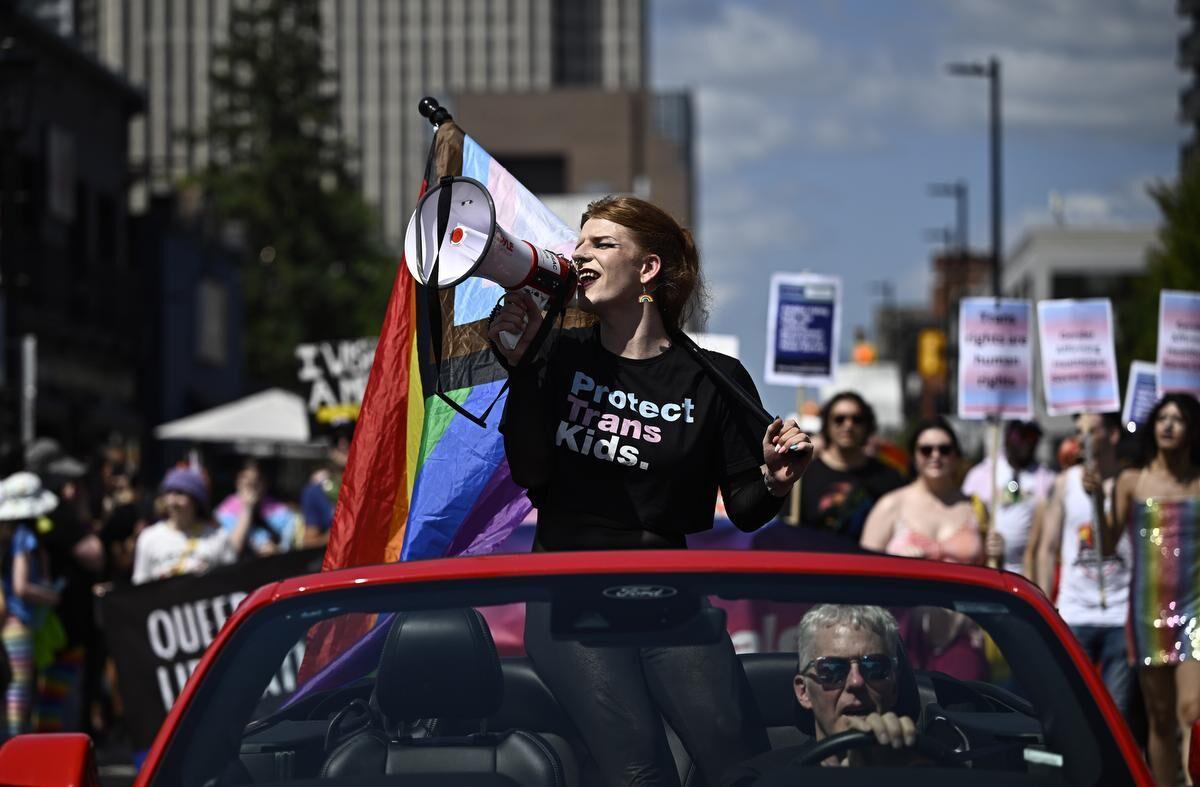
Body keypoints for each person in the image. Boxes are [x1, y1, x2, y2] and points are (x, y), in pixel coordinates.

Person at [488, 195, 813, 785]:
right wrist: (528, 368)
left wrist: (771, 478)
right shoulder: (557, 354)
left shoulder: (713, 376)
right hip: (570, 597)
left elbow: (744, 509)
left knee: (739, 762)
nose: (580, 254)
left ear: (648, 270)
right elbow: (530, 471)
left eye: (602, 244)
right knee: (640, 772)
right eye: (580, 243)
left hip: (669, 597)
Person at [1104, 393, 1200, 785]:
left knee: (1191, 710)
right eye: (1162, 418)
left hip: (1196, 608)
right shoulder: (1131, 481)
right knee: (1159, 719)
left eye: (1178, 419)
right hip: (1147, 610)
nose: (1168, 425)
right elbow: (1108, 546)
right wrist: (1098, 498)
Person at [860, 418, 1003, 681]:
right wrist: (894, 564)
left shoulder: (975, 508)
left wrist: (997, 552)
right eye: (926, 449)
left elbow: (988, 571)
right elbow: (861, 574)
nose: (935, 455)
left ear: (956, 455)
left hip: (963, 633)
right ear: (914, 456)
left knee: (966, 713)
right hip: (902, 634)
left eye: (944, 449)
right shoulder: (891, 506)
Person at [724, 605, 920, 782]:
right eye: (832, 669)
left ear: (894, 687)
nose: (856, 681)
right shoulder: (760, 779)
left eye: (874, 667)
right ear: (803, 692)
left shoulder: (934, 771)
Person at [1035, 412, 1132, 720]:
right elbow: (1047, 549)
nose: (1082, 437)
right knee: (1071, 711)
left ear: (1113, 435)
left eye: (1092, 430)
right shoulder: (1065, 484)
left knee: (1116, 715)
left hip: (1120, 612)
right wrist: (1043, 604)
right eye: (1078, 431)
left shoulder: (1130, 483)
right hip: (1075, 611)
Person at [0, 472, 62, 737]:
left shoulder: (8, 535)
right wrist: (50, 596)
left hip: (7, 624)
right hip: (19, 624)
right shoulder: (25, 537)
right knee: (19, 697)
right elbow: (21, 586)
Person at [798, 392, 905, 542]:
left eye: (857, 419)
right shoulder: (802, 476)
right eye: (839, 419)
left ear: (867, 425)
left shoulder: (890, 477)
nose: (848, 425)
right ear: (827, 425)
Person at [961, 421, 1055, 577]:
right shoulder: (983, 473)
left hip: (1029, 572)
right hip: (988, 568)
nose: (1025, 443)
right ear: (1006, 437)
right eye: (1019, 436)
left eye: (1031, 436)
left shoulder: (1047, 479)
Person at [131, 467, 252, 585]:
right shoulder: (149, 537)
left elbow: (232, 582)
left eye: (180, 494)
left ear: (196, 500)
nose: (172, 501)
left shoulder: (217, 537)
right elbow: (140, 586)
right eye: (169, 493)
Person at [215, 460, 300, 557]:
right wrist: (248, 507)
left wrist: (276, 550)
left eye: (256, 482)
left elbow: (289, 545)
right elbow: (233, 548)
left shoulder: (281, 512)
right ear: (237, 482)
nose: (251, 490)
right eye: (247, 483)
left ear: (265, 483)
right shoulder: (224, 512)